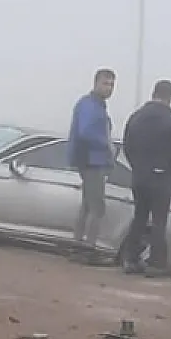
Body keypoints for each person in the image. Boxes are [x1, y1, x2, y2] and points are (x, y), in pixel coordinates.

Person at [121, 79, 171, 276]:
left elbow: (127, 145)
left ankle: (130, 258)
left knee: (139, 217)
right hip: (161, 176)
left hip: (139, 175)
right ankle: (156, 264)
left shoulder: (136, 116)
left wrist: (137, 167)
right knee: (159, 220)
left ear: (153, 93)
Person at [67, 68, 117, 263]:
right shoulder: (89, 105)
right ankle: (87, 249)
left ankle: (79, 246)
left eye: (112, 84)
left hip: (93, 160)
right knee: (97, 206)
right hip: (90, 160)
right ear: (96, 83)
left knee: (88, 205)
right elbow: (86, 132)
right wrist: (106, 145)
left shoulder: (98, 105)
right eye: (106, 83)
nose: (109, 88)